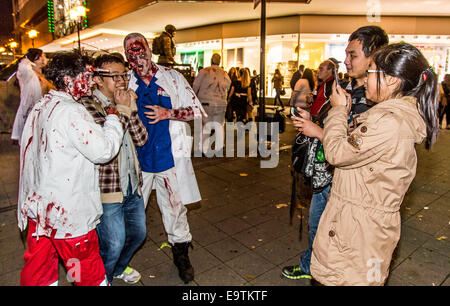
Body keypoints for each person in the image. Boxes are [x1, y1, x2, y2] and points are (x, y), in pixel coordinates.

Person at [310, 43, 439, 286]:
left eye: (371, 72)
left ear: (390, 80)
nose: (365, 79)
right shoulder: (392, 118)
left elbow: (337, 153)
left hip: (356, 235)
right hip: (364, 229)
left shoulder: (389, 122)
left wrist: (338, 111)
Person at [283, 25, 389, 281]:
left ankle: (320, 271)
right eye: (346, 54)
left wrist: (317, 131)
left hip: (347, 183)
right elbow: (338, 127)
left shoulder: (377, 100)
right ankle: (311, 264)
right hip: (327, 174)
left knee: (332, 235)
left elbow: (353, 147)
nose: (346, 60)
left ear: (373, 56)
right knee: (316, 227)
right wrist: (315, 120)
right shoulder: (349, 88)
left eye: (353, 55)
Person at [17, 52, 125, 286]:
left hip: (42, 213)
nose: (92, 80)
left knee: (40, 272)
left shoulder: (42, 105)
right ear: (68, 79)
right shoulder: (71, 111)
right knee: (86, 272)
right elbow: (104, 151)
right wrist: (114, 119)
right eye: (87, 75)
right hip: (69, 216)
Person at [123, 32, 206, 284]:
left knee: (175, 210)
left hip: (170, 160)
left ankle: (181, 256)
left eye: (141, 50)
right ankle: (120, 262)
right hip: (137, 163)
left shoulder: (172, 77)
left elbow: (196, 111)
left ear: (150, 49)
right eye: (132, 53)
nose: (138, 56)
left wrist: (167, 112)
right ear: (126, 57)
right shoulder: (124, 81)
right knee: (131, 214)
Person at [80, 54, 148, 285]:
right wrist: (123, 109)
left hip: (131, 184)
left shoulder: (125, 101)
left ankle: (118, 269)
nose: (121, 80)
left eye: (124, 75)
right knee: (113, 243)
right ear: (97, 79)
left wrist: (131, 109)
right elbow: (106, 144)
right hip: (107, 189)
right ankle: (100, 280)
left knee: (138, 234)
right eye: (114, 76)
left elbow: (141, 138)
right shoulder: (86, 105)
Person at [11, 48, 54, 144]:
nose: (45, 59)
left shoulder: (42, 75)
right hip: (31, 113)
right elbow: (23, 66)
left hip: (43, 112)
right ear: (35, 59)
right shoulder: (28, 75)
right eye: (42, 56)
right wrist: (27, 58)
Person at [193, 53, 231, 154]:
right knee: (219, 124)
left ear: (211, 60)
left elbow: (195, 85)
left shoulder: (204, 71)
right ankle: (220, 146)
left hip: (206, 101)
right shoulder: (224, 73)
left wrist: (193, 97)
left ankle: (204, 148)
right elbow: (228, 85)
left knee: (206, 124)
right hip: (221, 102)